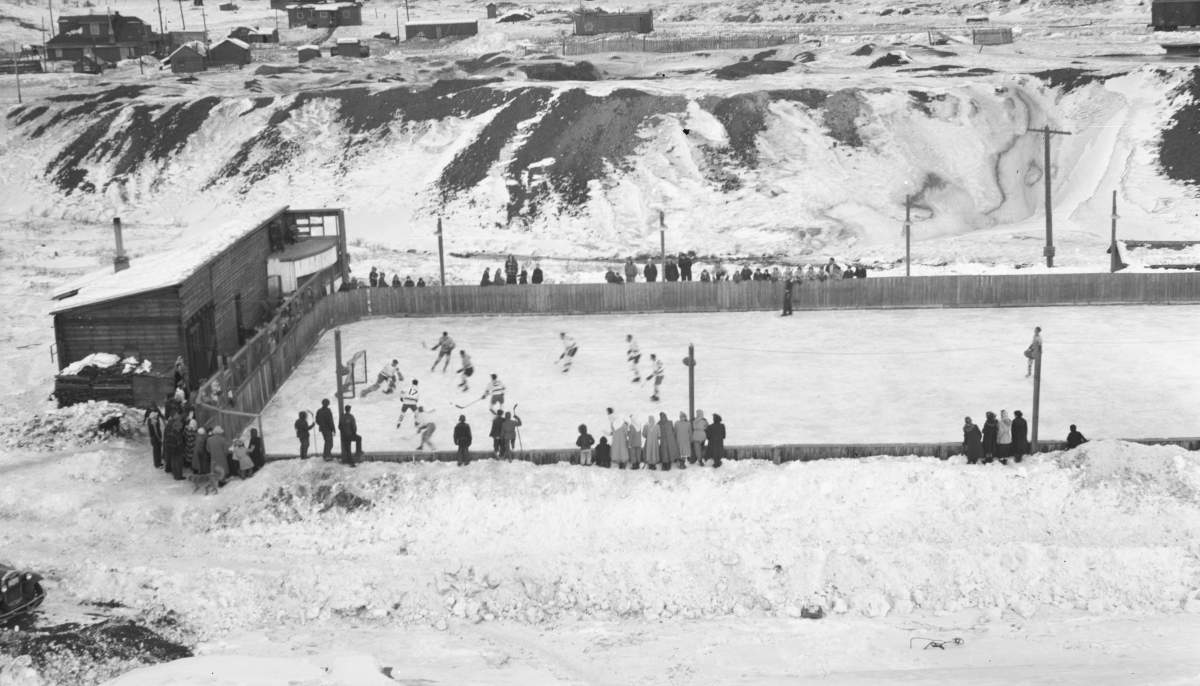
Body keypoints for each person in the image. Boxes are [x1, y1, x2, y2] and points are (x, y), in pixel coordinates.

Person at [164, 414, 185, 480]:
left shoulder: (172, 430)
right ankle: (178, 476)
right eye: (180, 427)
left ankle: (174, 473)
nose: (181, 428)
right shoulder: (177, 434)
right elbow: (179, 443)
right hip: (177, 450)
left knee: (173, 461)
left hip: (171, 449)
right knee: (178, 463)